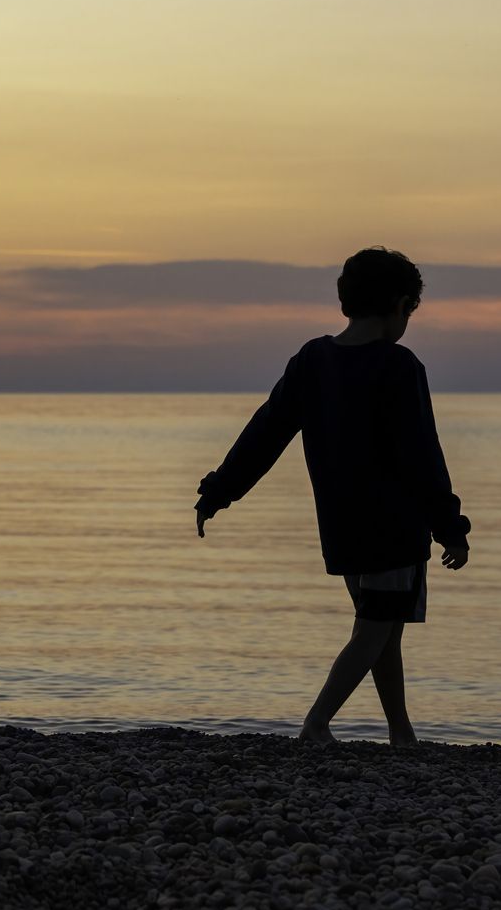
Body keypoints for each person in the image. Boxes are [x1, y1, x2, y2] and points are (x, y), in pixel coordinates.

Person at [194, 246, 470, 746]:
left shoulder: (312, 360)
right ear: (401, 305)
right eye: (409, 311)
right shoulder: (399, 366)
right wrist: (451, 527)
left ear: (346, 301)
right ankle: (317, 724)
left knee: (382, 630)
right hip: (393, 525)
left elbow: (266, 432)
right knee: (374, 631)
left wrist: (220, 489)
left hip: (341, 524)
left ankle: (401, 733)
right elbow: (423, 455)